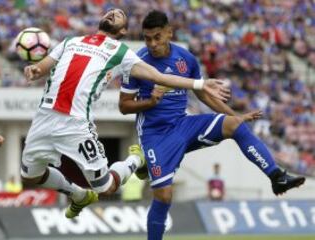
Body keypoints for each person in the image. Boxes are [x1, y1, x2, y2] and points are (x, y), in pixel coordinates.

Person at [20, 8, 229, 219]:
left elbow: (159, 77)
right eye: (110, 12)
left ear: (122, 31)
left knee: (106, 187)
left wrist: (200, 83)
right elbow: (43, 66)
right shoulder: (70, 41)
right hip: (44, 117)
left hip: (75, 123)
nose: (113, 14)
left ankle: (136, 159)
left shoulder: (120, 52)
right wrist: (35, 69)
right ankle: (78, 195)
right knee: (30, 175)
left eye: (119, 15)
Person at [119, 10, 306, 240]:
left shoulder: (185, 59)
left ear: (169, 33)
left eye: (157, 37)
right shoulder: (138, 64)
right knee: (164, 197)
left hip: (184, 125)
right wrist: (151, 101)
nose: (152, 44)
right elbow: (124, 106)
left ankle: (277, 177)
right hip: (155, 135)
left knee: (234, 126)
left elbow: (203, 95)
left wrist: (235, 115)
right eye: (147, 38)